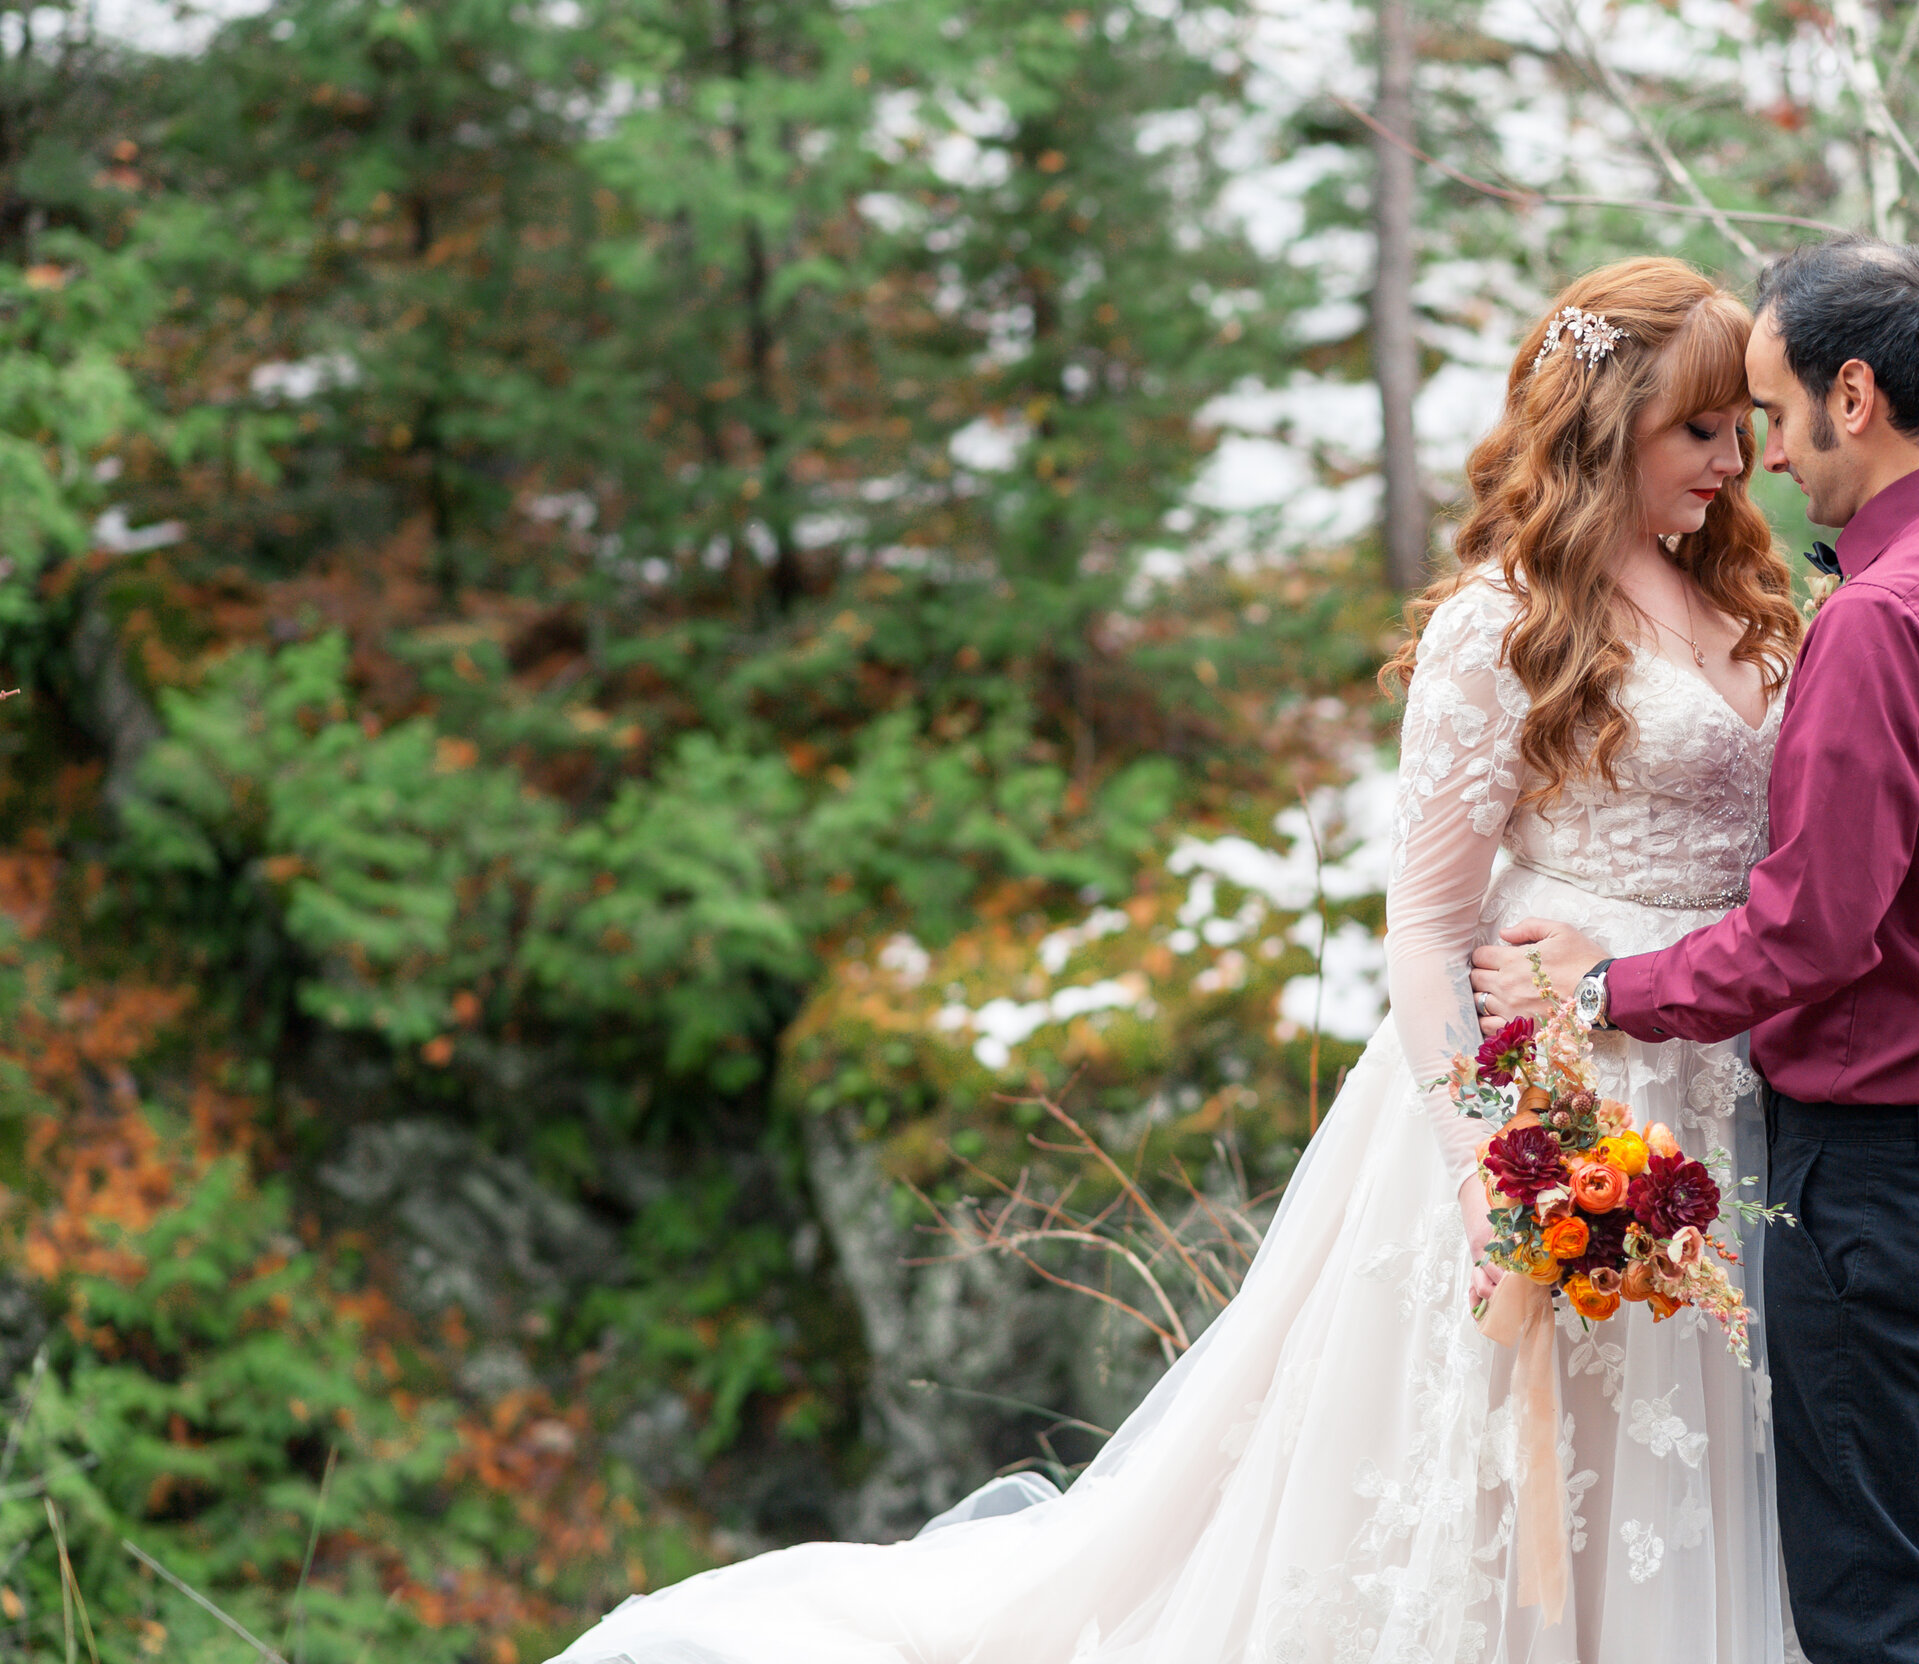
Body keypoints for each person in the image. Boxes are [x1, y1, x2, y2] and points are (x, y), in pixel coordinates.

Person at [548, 255, 1802, 1663]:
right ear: (1609, 420)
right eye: (1700, 428)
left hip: (1727, 1082)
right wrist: (1477, 1165)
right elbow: (1427, 927)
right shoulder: (1501, 625)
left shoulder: (1750, 594)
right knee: (1514, 1490)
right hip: (1551, 1103)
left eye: (1741, 425)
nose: (1738, 456)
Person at [1471, 235, 1919, 1664]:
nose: (1761, 459)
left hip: (1883, 1172)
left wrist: (1605, 986)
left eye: (1771, 409)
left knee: (1882, 1607)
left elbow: (1815, 927)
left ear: (1856, 397)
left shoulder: (1881, 620)